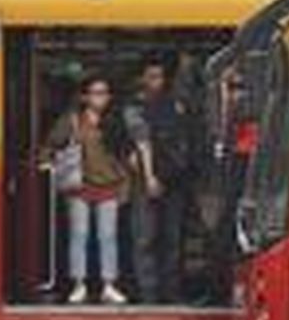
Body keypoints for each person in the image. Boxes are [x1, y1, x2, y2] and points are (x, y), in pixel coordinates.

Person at [43, 73, 133, 305]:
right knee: (79, 236)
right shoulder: (72, 120)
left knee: (108, 237)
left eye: (105, 93)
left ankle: (108, 285)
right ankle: (79, 284)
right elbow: (51, 144)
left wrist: (126, 183)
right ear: (84, 96)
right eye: (96, 93)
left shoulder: (115, 120)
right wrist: (46, 162)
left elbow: (125, 155)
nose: (101, 98)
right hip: (79, 186)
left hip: (109, 185)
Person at [125, 57, 193, 304]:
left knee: (164, 238)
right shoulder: (137, 107)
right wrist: (151, 176)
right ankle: (151, 293)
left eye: (160, 76)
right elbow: (142, 141)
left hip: (168, 178)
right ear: (142, 78)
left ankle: (164, 293)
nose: (157, 82)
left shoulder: (173, 105)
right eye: (152, 76)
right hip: (152, 179)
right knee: (149, 237)